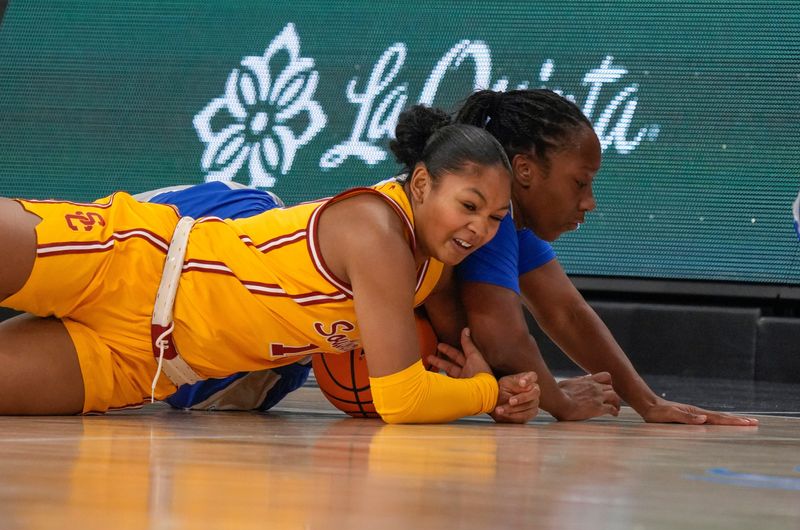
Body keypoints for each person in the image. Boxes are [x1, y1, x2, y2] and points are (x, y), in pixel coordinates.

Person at [0, 105, 540, 424]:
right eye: (469, 206)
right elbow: (401, 399)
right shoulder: (376, 232)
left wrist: (499, 387)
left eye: (495, 217)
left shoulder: (433, 266)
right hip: (132, 263)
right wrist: (489, 392)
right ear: (421, 183)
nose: (481, 229)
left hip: (145, 363)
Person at [426, 89, 758, 426]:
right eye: (580, 183)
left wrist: (648, 402)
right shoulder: (491, 222)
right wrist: (561, 402)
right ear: (524, 170)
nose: (589, 202)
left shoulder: (508, 221)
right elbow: (504, 343)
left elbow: (567, 313)